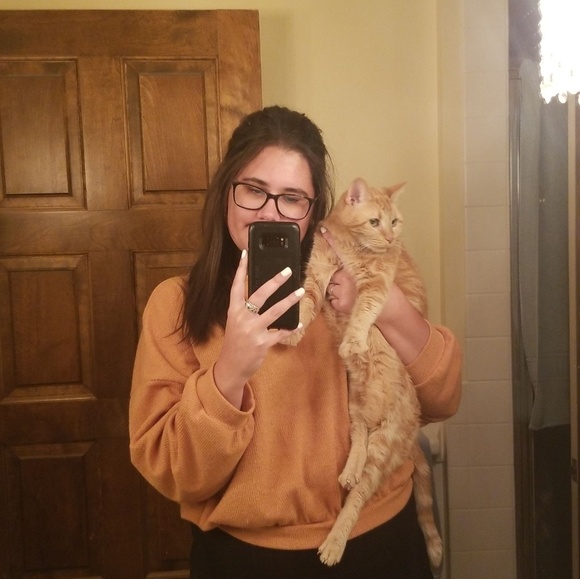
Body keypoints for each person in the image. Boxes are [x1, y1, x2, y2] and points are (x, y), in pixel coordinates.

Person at [129, 105, 462, 579]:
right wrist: (229, 373)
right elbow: (171, 470)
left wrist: (387, 306)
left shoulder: (349, 278)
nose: (270, 212)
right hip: (248, 561)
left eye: (292, 198)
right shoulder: (176, 306)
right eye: (254, 190)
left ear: (313, 210)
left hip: (383, 541)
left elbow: (442, 399)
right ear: (226, 192)